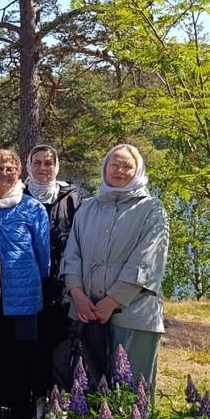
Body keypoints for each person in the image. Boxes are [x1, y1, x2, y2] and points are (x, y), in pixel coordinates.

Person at [61, 144, 168, 393]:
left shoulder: (152, 209)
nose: (120, 170)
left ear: (138, 169)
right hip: (86, 312)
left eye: (127, 166)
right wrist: (77, 295)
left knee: (131, 395)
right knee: (88, 392)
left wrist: (111, 302)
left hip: (133, 315)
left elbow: (147, 261)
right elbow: (71, 255)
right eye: (114, 164)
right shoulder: (87, 207)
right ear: (105, 168)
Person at [0, 149, 50, 419]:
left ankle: (17, 416)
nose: (4, 173)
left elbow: (44, 256)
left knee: (21, 358)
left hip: (24, 297)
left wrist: (34, 281)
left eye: (10, 168)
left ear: (19, 172)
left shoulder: (33, 208)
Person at [23, 144, 87, 418]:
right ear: (29, 166)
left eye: (48, 163)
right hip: (27, 286)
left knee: (59, 343)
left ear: (56, 166)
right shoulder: (18, 195)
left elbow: (83, 241)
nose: (42, 168)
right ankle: (32, 398)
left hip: (62, 286)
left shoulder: (74, 198)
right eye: (37, 163)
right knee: (30, 345)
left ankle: (56, 402)